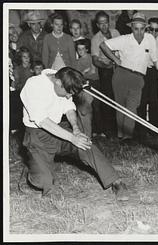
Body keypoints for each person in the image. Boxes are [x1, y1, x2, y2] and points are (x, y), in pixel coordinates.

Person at [19, 67, 129, 200]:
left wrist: (76, 129)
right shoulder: (34, 85)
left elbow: (69, 107)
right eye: (68, 93)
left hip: (59, 129)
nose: (69, 96)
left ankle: (116, 182)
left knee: (85, 144)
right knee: (44, 181)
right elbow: (43, 121)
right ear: (58, 83)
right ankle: (31, 168)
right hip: (38, 135)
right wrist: (72, 138)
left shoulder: (64, 80)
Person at [100, 12, 158, 141]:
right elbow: (103, 45)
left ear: (146, 28)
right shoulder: (124, 39)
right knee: (120, 108)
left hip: (138, 78)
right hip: (121, 75)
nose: (139, 32)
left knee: (132, 108)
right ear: (131, 27)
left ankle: (127, 137)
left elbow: (155, 60)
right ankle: (121, 137)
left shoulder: (150, 39)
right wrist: (115, 59)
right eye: (135, 28)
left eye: (142, 28)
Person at [137, 17, 158, 137]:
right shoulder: (141, 39)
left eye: (156, 30)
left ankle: (155, 130)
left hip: (156, 73)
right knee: (141, 101)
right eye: (151, 29)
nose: (154, 33)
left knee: (155, 102)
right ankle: (141, 130)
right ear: (147, 28)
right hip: (143, 71)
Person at [91, 11, 120, 138]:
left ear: (109, 22)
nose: (104, 26)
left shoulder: (116, 33)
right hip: (106, 71)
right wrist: (106, 65)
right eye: (101, 24)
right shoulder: (95, 39)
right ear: (97, 25)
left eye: (106, 23)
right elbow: (95, 60)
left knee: (119, 97)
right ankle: (109, 130)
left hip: (119, 68)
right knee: (108, 98)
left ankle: (120, 128)